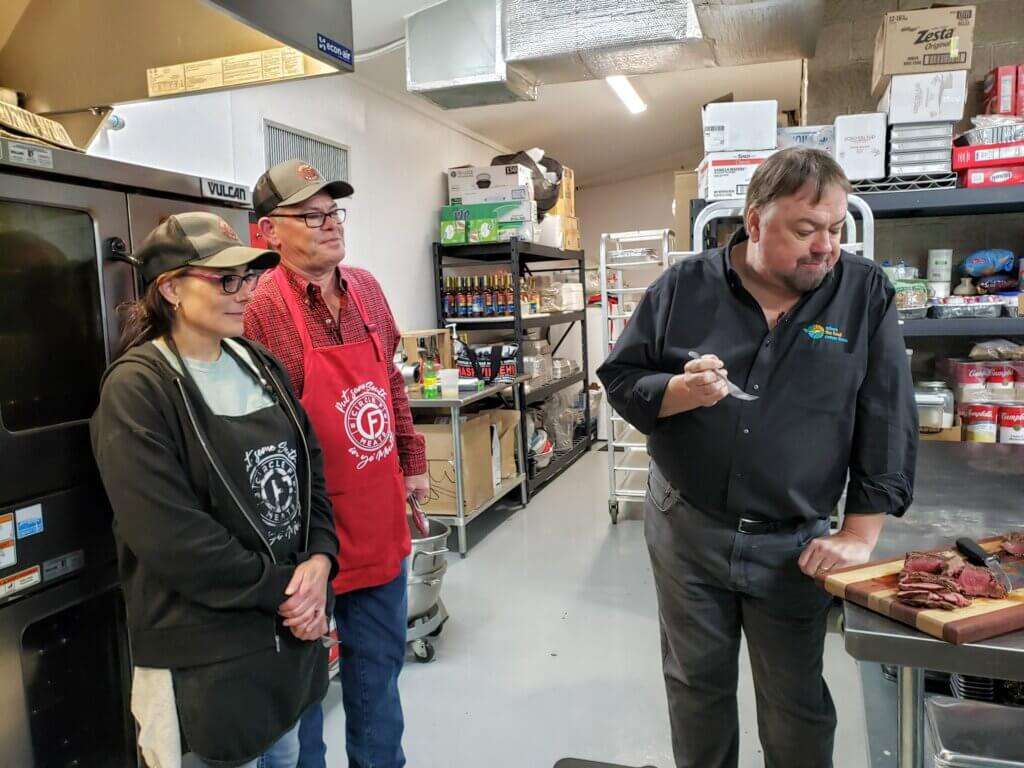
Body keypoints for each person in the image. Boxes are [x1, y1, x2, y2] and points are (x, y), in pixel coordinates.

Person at [598, 148, 917, 768]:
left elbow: (886, 413)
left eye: (834, 229)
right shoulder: (682, 288)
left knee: (795, 703)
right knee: (697, 690)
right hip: (688, 530)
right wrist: (677, 392)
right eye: (804, 230)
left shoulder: (862, 293)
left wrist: (859, 531)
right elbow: (620, 377)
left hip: (793, 546)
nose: (824, 247)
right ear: (753, 222)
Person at [90, 212, 340, 768]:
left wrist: (321, 557)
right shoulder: (139, 390)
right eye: (225, 278)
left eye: (248, 277)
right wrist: (287, 591)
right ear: (172, 287)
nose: (245, 292)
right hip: (205, 667)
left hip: (284, 650)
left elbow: (309, 468)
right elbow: (172, 538)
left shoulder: (257, 364)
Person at [244, 160, 428, 768]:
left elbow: (391, 384)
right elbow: (259, 438)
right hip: (300, 536)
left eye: (333, 211)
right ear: (268, 232)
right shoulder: (257, 309)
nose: (330, 225)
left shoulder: (367, 289)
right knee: (303, 700)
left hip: (376, 521)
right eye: (311, 215)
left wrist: (412, 464)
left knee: (379, 678)